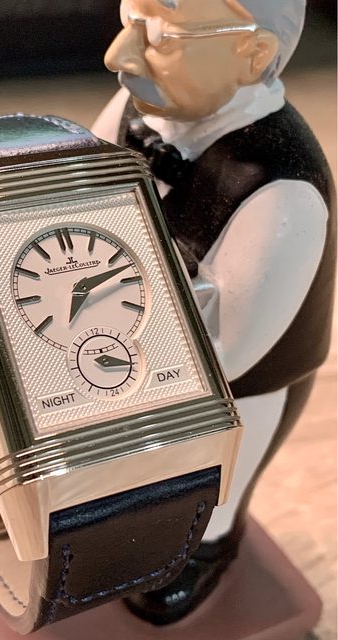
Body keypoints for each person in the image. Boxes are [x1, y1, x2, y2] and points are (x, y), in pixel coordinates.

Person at [92, 0, 336, 625]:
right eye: (129, 20)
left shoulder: (280, 187)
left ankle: (204, 547)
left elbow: (232, 348)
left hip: (239, 391)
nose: (119, 55)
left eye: (160, 38)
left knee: (212, 484)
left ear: (253, 55)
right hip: (124, 335)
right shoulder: (136, 111)